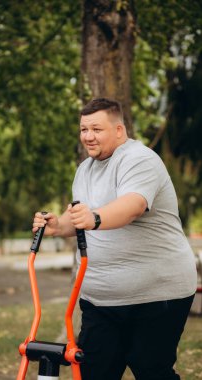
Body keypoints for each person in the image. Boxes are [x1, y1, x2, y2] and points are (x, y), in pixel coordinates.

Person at [32, 98, 197, 380]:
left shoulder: (140, 159)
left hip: (157, 295)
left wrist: (95, 218)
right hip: (100, 299)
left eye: (96, 129)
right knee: (94, 372)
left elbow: (132, 206)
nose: (88, 136)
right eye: (84, 129)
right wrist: (57, 225)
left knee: (151, 370)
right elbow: (78, 215)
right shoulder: (84, 169)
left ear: (119, 130)